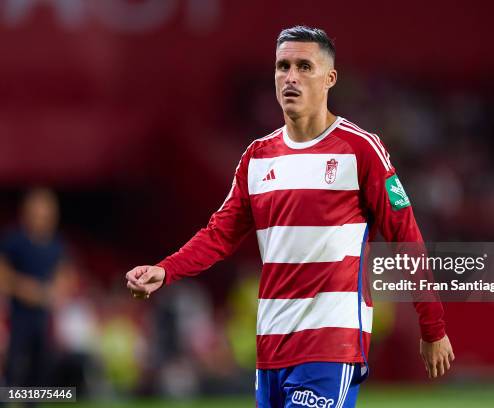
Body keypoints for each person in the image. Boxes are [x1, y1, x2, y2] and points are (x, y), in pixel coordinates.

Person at [126, 25, 454, 407]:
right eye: (283, 66)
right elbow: (219, 233)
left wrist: (432, 327)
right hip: (271, 348)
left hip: (332, 343)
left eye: (304, 66)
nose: (291, 77)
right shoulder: (258, 157)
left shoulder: (360, 149)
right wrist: (166, 270)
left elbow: (405, 235)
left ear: (330, 78)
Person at [0, 188, 67, 387]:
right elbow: (3, 273)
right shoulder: (14, 241)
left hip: (43, 317)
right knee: (13, 367)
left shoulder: (56, 245)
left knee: (39, 369)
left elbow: (64, 275)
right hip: (17, 316)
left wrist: (53, 291)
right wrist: (25, 289)